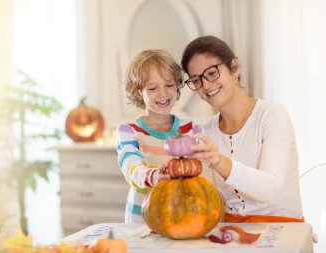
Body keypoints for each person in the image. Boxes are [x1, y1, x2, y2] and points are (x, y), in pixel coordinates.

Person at [181, 35, 303, 222]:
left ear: (234, 69)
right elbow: (205, 197)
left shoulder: (272, 115)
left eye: (212, 73)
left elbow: (269, 189)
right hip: (231, 234)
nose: (205, 85)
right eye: (196, 80)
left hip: (282, 231)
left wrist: (219, 161)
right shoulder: (205, 131)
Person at [116, 49, 200, 223]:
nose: (163, 93)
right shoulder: (128, 131)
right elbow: (130, 166)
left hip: (181, 216)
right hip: (142, 219)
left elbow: (202, 170)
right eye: (153, 88)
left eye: (169, 85)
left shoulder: (191, 128)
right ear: (139, 92)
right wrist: (152, 176)